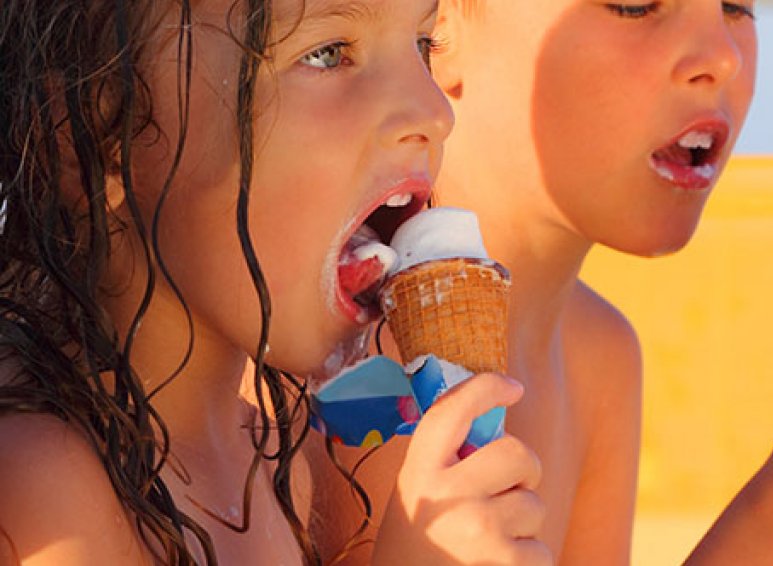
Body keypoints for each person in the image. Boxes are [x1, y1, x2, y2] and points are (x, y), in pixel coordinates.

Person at [320, 0, 773, 563]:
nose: (722, 55)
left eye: (737, 6)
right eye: (636, 4)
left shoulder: (598, 354)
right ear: (437, 28)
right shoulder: (336, 368)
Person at [0, 1, 548, 564]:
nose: (435, 112)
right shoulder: (37, 483)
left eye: (423, 44)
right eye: (328, 54)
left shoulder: (268, 464)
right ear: (94, 130)